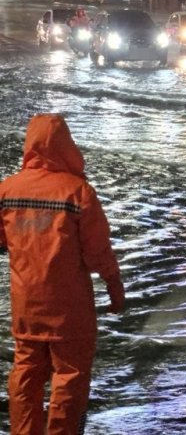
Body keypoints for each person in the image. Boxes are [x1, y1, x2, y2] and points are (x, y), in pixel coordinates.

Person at [0, 114, 125, 435]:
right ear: (66, 145)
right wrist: (114, 287)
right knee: (69, 378)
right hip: (70, 312)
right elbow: (97, 252)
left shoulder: (7, 191)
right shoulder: (78, 192)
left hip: (26, 308)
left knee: (26, 375)